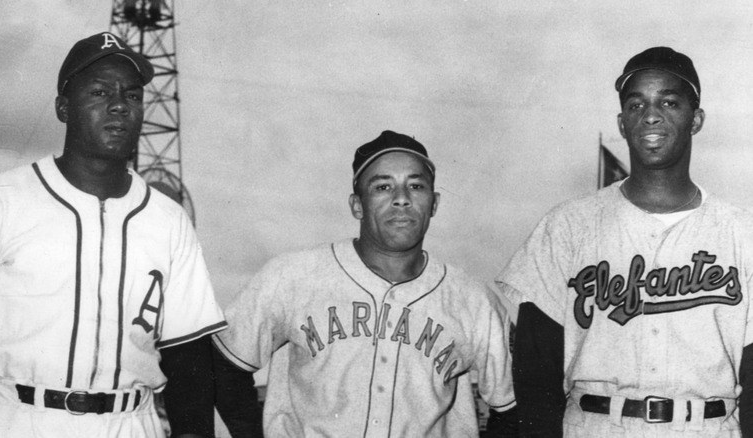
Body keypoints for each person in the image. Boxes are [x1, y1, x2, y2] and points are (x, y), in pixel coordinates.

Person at [0, 32, 229, 438]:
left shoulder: (168, 219)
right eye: (99, 92)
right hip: (15, 417)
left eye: (131, 96)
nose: (118, 106)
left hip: (129, 421)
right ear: (63, 108)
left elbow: (188, 361)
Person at [496, 46, 753, 437]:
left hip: (708, 426)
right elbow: (535, 371)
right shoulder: (568, 225)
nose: (651, 115)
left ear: (696, 119)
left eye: (669, 101)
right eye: (636, 105)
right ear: (621, 122)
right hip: (595, 424)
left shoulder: (741, 232)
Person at [212, 130, 518, 437]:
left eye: (416, 186)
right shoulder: (293, 275)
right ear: (357, 205)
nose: (401, 199)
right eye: (383, 187)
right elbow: (223, 363)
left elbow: (515, 408)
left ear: (434, 203)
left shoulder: (474, 300)